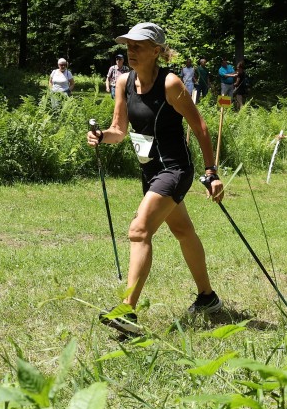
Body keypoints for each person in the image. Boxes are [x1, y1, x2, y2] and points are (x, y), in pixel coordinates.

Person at [87, 22, 224, 336]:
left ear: (157, 51)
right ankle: (208, 297)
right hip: (150, 171)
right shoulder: (123, 82)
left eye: (138, 45)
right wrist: (100, 136)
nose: (130, 51)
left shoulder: (170, 83)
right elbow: (119, 131)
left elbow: (200, 127)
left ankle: (127, 311)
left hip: (175, 170)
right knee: (183, 230)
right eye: (128, 45)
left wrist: (211, 172)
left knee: (138, 229)